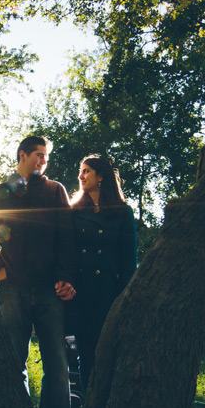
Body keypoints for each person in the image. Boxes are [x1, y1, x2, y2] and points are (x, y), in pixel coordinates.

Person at [0, 135, 76, 408]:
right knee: (12, 363)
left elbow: (67, 234)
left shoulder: (55, 191)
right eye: (37, 155)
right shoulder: (1, 190)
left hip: (50, 290)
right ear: (22, 155)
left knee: (58, 365)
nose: (42, 161)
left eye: (45, 156)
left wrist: (65, 276)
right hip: (13, 288)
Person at [70, 154, 137, 392]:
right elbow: (68, 252)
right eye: (81, 171)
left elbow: (129, 259)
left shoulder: (122, 212)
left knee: (109, 352)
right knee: (85, 354)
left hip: (110, 293)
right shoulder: (74, 212)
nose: (81, 176)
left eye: (86, 171)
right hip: (82, 293)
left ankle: (108, 406)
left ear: (101, 176)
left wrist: (126, 298)